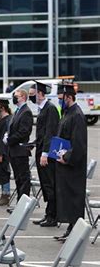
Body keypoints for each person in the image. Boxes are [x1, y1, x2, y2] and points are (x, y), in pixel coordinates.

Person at [54, 83, 87, 242]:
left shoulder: (77, 115)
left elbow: (79, 144)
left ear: (68, 97)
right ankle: (70, 228)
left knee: (74, 199)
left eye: (61, 98)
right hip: (63, 163)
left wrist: (66, 158)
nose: (59, 101)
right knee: (67, 197)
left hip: (73, 166)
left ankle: (75, 230)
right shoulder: (67, 113)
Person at [29, 81, 60, 227]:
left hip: (46, 154)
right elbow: (42, 133)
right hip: (41, 150)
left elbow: (50, 133)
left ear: (40, 94)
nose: (31, 98)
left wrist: (45, 153)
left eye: (32, 95)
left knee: (50, 184)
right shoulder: (43, 108)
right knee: (45, 184)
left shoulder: (50, 109)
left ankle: (53, 216)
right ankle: (48, 213)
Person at [6, 89, 33, 203]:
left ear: (22, 97)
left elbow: (24, 131)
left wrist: (9, 139)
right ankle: (19, 203)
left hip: (20, 150)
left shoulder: (26, 111)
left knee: (23, 179)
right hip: (14, 150)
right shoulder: (17, 111)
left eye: (15, 96)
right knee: (18, 179)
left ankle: (22, 203)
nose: (14, 98)